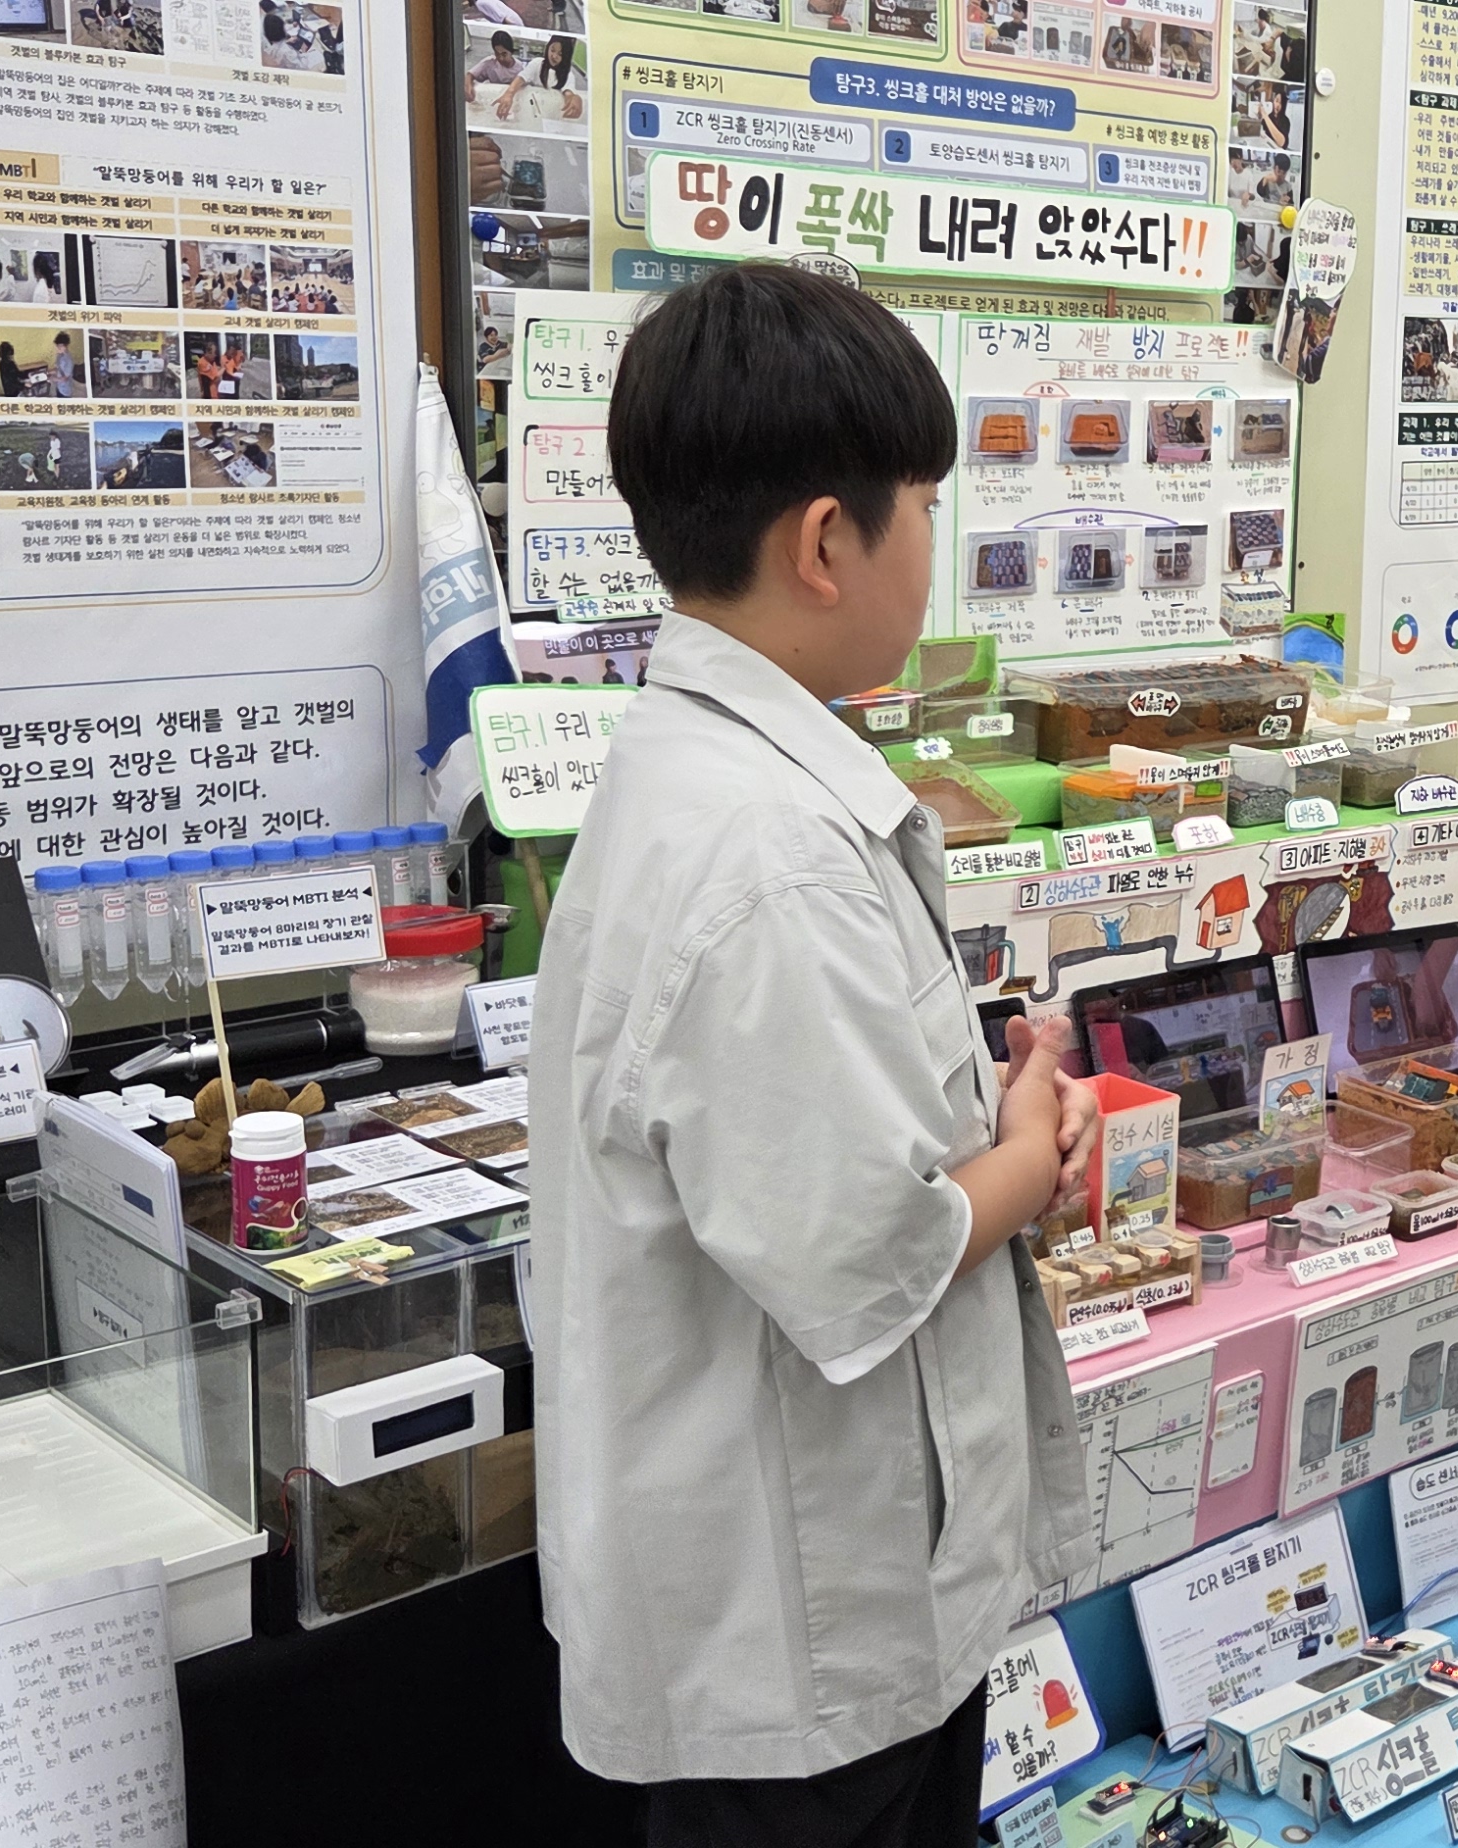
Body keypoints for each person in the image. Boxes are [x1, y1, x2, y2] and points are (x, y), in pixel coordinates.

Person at [533, 262, 1098, 1848]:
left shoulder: (713, 771)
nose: (938, 539)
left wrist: (978, 1117)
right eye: (923, 501)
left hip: (793, 1593)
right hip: (793, 1630)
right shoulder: (763, 848)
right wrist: (1028, 1155)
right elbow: (863, 1249)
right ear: (829, 542)